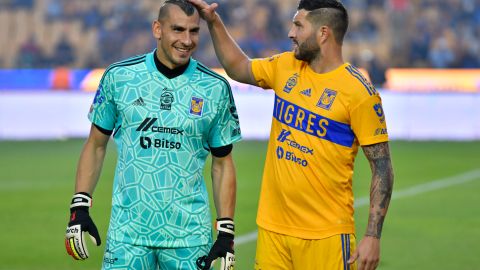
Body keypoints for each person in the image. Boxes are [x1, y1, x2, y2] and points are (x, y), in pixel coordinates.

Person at [188, 0, 394, 269]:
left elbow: (383, 168)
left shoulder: (359, 94)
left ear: (323, 33)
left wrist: (372, 236)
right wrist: (214, 23)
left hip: (327, 237)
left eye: (298, 25)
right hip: (273, 230)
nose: (291, 33)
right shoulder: (286, 67)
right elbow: (239, 67)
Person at [64, 1, 241, 269]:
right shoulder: (120, 77)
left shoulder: (214, 88)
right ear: (157, 29)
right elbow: (96, 145)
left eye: (194, 31)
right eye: (178, 30)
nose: (186, 40)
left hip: (189, 238)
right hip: (128, 237)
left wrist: (226, 231)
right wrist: (80, 206)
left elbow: (223, 162)